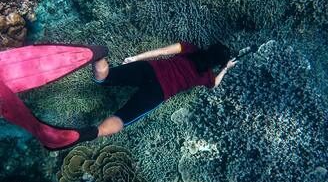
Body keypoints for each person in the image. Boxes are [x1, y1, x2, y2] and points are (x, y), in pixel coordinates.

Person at [85, 41, 237, 141]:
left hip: (148, 69)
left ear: (209, 47)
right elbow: (215, 84)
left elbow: (162, 52)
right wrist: (225, 68)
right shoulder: (207, 76)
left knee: (106, 78)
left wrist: (136, 58)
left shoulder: (190, 48)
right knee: (122, 118)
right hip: (158, 91)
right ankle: (93, 133)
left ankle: (98, 56)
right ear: (217, 64)